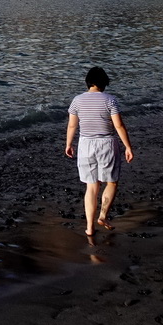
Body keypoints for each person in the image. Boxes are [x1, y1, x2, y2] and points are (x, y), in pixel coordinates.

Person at [65, 66, 134, 237]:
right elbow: (118, 125)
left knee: (91, 186)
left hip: (85, 144)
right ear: (103, 83)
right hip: (106, 143)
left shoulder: (77, 100)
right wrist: (128, 146)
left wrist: (68, 144)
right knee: (111, 182)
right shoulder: (110, 100)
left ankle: (89, 227)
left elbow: (72, 125)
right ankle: (102, 216)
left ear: (88, 82)